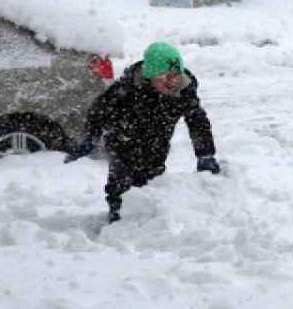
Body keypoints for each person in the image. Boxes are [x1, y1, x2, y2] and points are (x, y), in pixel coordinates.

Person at [65, 41, 221, 223]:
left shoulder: (183, 91)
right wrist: (91, 136)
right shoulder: (127, 88)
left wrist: (205, 154)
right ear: (150, 75)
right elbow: (99, 110)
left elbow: (197, 122)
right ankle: (117, 220)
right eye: (165, 76)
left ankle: (147, 223)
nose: (172, 81)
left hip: (158, 142)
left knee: (152, 183)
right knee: (121, 183)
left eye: (176, 75)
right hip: (122, 140)